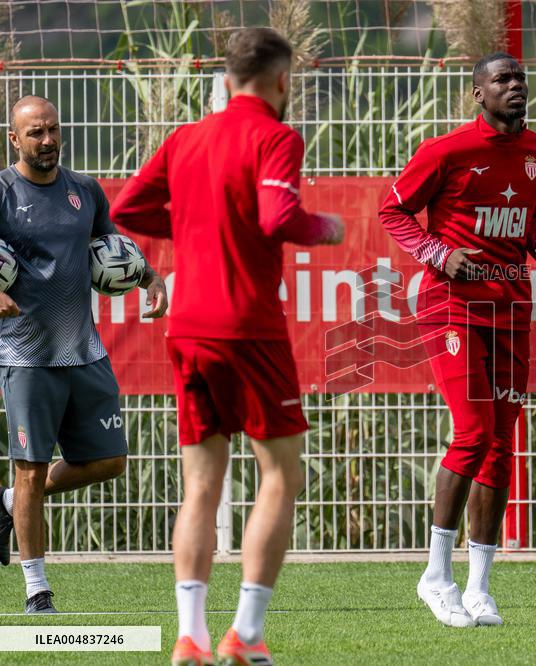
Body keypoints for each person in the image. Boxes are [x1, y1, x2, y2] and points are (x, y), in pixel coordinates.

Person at [110, 28, 344, 666]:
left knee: (201, 484)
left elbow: (127, 207)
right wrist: (326, 226)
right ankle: (245, 632)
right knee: (281, 474)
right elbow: (277, 220)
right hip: (248, 327)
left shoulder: (187, 137)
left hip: (186, 326)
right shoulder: (276, 136)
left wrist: (193, 220)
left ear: (225, 79)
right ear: (280, 80)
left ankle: (190, 637)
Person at [379, 52, 536, 628]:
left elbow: (531, 218)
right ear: (477, 93)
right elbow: (393, 210)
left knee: (502, 444)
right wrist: (438, 253)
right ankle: (436, 575)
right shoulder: (447, 151)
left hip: (512, 305)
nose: (515, 85)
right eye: (502, 79)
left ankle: (479, 587)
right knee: (475, 432)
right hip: (451, 303)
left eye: (519, 78)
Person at [0, 95, 168, 614]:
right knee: (30, 468)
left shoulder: (85, 191)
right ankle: (37, 589)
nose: (47, 140)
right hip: (25, 355)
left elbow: (110, 246)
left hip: (84, 351)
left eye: (53, 129)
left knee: (109, 461)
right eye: (35, 133)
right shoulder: (2, 193)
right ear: (14, 139)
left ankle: (7, 505)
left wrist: (149, 276)